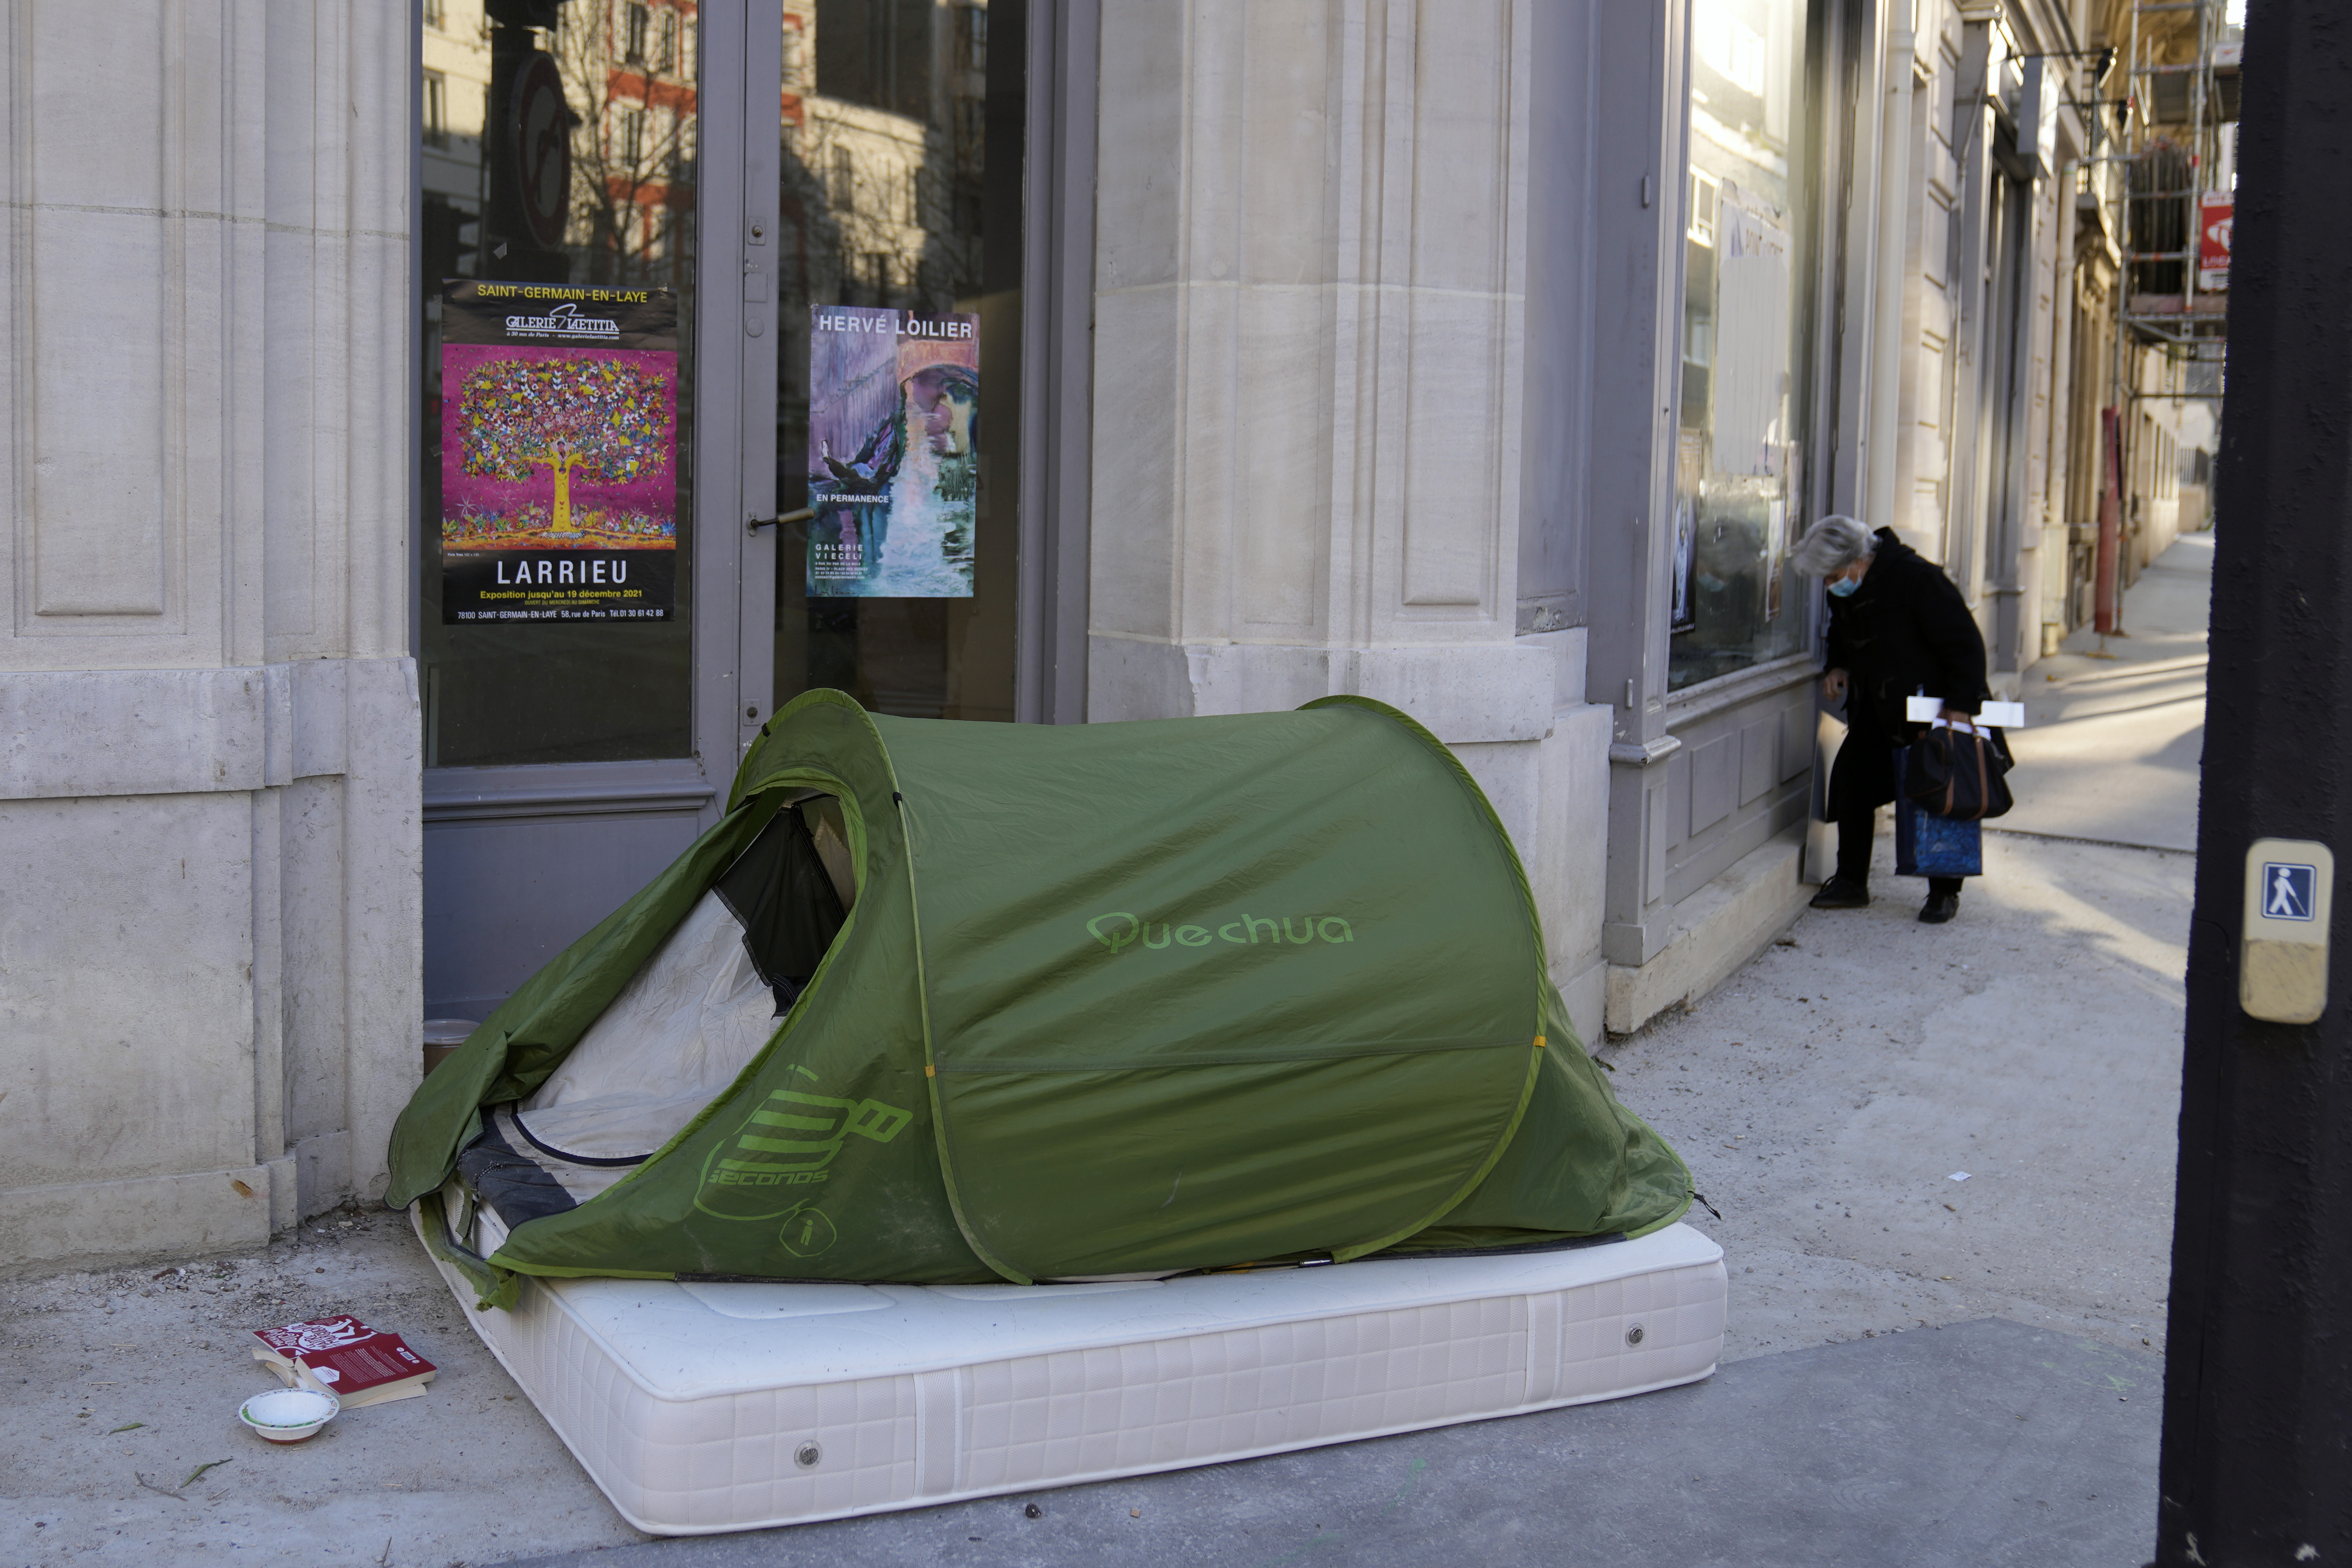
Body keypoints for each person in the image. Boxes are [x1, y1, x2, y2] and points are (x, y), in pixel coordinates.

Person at [1791, 515, 1989, 924]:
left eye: (1833, 576)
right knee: (1851, 782)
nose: (1831, 586)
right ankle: (1851, 882)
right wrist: (1838, 666)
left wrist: (1961, 703)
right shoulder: (1847, 586)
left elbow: (1965, 643)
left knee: (1937, 794)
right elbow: (1842, 633)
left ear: (1859, 560)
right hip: (1876, 708)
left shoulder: (1919, 580)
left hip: (1928, 710)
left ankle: (1943, 893)